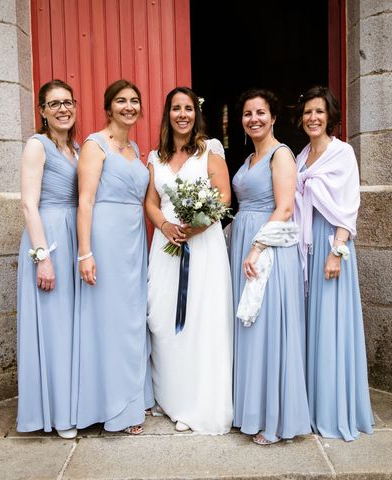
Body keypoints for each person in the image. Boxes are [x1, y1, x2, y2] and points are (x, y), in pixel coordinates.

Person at [145, 87, 233, 434]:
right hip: (166, 247)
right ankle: (172, 398)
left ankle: (199, 403)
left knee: (201, 321)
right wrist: (165, 225)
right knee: (164, 318)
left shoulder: (209, 151)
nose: (182, 114)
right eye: (175, 108)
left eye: (188, 109)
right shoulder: (156, 156)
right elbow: (152, 202)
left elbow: (224, 197)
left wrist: (197, 226)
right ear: (167, 114)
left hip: (204, 248)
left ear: (196, 114)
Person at [230, 89, 311, 445]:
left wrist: (257, 248)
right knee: (248, 328)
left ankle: (274, 420)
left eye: (260, 112)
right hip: (243, 244)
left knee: (267, 327)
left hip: (269, 247)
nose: (254, 119)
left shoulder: (281, 155)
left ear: (273, 117)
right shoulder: (248, 158)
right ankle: (249, 410)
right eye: (248, 114)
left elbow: (284, 208)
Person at [293, 85, 374, 441]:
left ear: (330, 118)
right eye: (308, 112)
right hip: (307, 245)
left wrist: (336, 251)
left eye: (319, 112)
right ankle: (310, 406)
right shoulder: (299, 157)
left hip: (331, 244)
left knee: (331, 327)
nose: (313, 118)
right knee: (312, 326)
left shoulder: (343, 153)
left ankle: (334, 409)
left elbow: (350, 204)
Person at [75, 79, 152, 435]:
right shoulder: (95, 144)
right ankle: (115, 408)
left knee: (134, 318)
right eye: (121, 101)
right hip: (105, 238)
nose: (129, 106)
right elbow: (86, 201)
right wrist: (85, 252)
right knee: (111, 321)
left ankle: (133, 397)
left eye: (134, 101)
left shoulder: (136, 149)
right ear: (109, 108)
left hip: (134, 239)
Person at [16, 79, 79, 438]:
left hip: (74, 239)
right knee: (53, 327)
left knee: (71, 327)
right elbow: (28, 204)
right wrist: (42, 257)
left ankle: (73, 403)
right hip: (50, 240)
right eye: (54, 104)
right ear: (42, 111)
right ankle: (56, 415)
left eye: (67, 102)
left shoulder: (77, 148)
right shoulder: (36, 146)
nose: (62, 109)